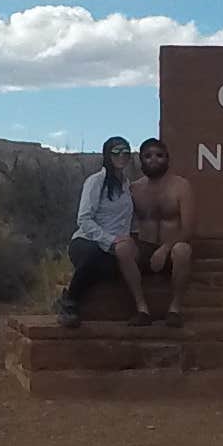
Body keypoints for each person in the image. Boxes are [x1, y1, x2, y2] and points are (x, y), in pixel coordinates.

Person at [55, 138, 144, 327]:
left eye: (125, 152)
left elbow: (129, 220)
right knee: (93, 257)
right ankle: (69, 303)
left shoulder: (127, 186)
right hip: (87, 240)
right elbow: (84, 219)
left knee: (113, 269)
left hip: (117, 248)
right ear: (107, 155)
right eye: (116, 152)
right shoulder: (96, 182)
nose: (121, 156)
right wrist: (110, 240)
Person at [125, 136, 194, 322]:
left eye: (159, 155)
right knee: (123, 248)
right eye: (148, 156)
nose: (154, 159)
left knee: (183, 250)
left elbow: (188, 229)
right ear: (141, 160)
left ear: (167, 158)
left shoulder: (181, 186)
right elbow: (124, 223)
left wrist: (165, 249)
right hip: (145, 247)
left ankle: (175, 309)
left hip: (171, 248)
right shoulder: (134, 189)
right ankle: (141, 309)